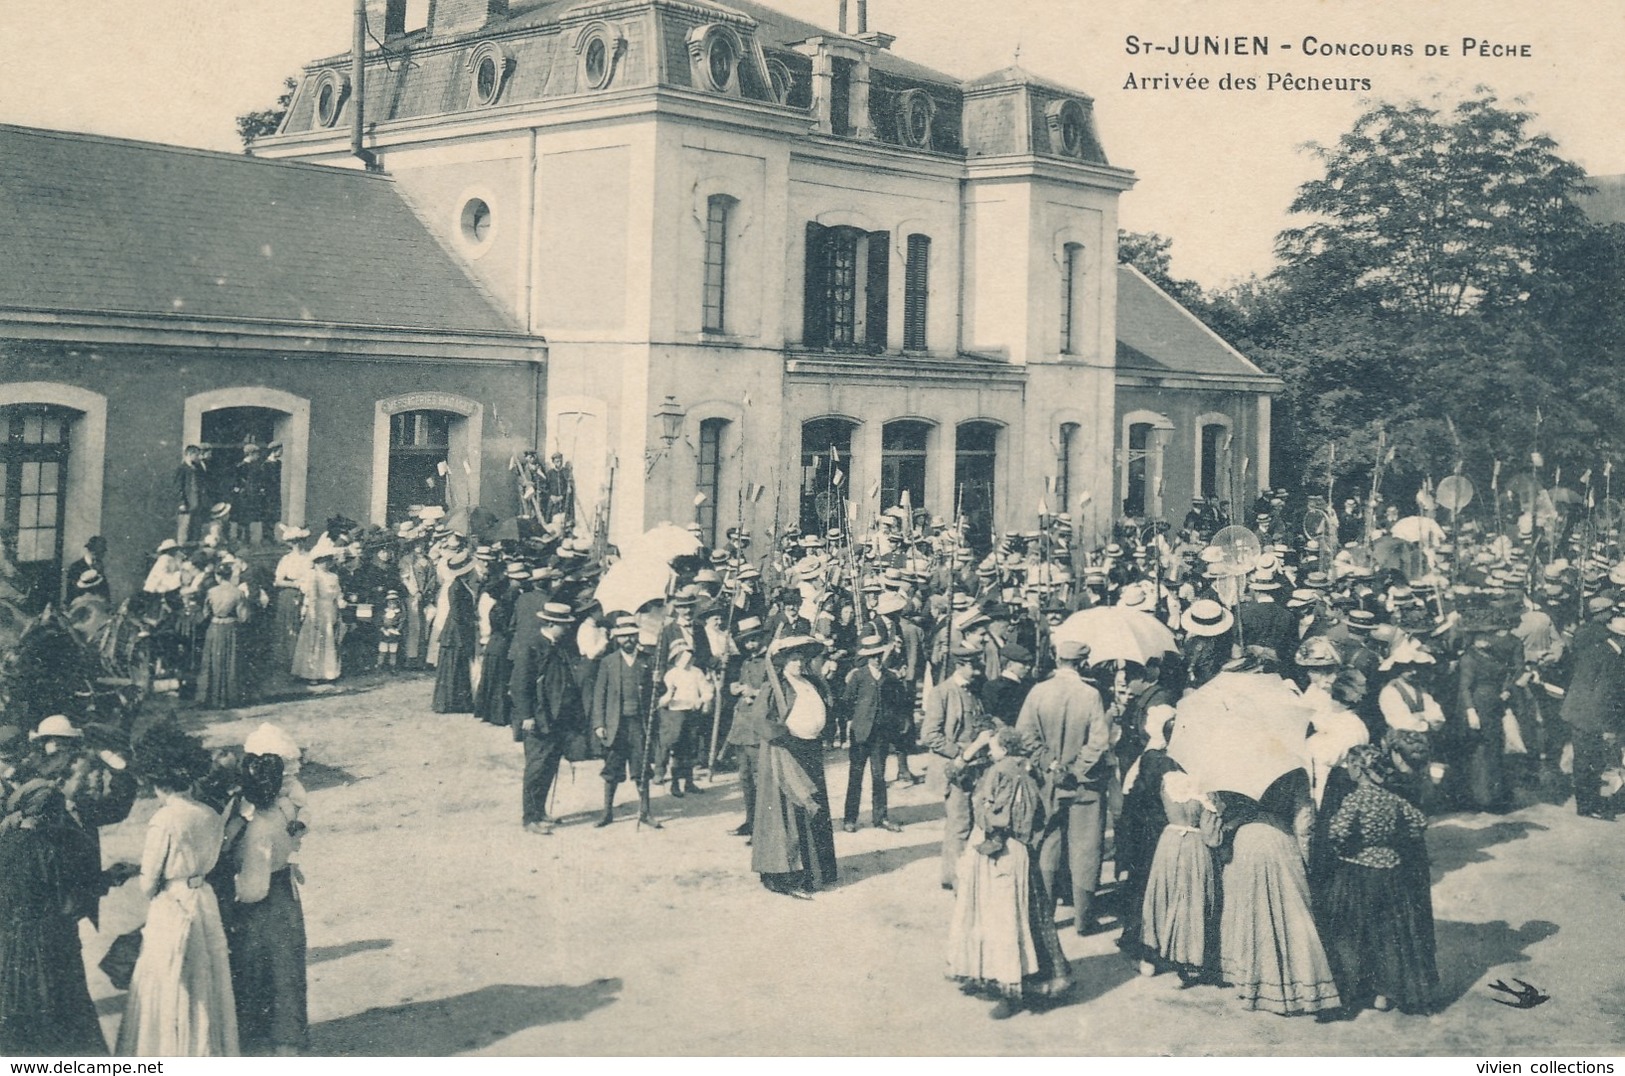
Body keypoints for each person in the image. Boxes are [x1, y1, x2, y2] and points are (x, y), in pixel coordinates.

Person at [118, 721, 239, 1056]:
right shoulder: (209, 814)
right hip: (203, 899)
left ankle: (168, 1052)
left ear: (157, 781)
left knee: (170, 976)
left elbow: (147, 884)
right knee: (206, 977)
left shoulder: (164, 819)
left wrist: (143, 874)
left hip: (173, 903)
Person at [945, 727, 1072, 1019]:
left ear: (1004, 747)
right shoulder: (1016, 768)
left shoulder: (1004, 772)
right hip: (1008, 847)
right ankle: (1004, 976)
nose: (989, 750)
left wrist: (994, 828)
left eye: (993, 746)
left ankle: (1012, 987)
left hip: (1002, 849)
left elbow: (1006, 814)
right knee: (1007, 915)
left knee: (1004, 917)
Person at [0, 780, 128, 1055]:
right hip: (52, 942)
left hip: (12, 944)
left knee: (19, 1010)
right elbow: (69, 903)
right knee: (65, 1011)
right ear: (53, 815)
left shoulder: (5, 843)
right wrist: (109, 879)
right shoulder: (51, 848)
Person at [1212, 768, 1341, 1017]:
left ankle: (1253, 982)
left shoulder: (1235, 763)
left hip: (1246, 842)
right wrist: (1305, 858)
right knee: (1292, 913)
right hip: (1279, 839)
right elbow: (1304, 822)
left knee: (1253, 914)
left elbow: (1222, 810)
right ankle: (1299, 986)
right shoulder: (1293, 769)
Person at [1321, 743, 1438, 1015]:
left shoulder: (1355, 799)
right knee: (1388, 934)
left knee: (1354, 933)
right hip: (1392, 870)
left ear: (1359, 769)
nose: (1348, 770)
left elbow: (1336, 832)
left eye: (1351, 766)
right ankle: (1386, 993)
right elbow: (1419, 822)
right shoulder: (1392, 798)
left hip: (1360, 871)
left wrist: (1350, 847)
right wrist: (1391, 841)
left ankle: (1356, 989)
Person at [1014, 636, 1114, 935]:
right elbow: (1099, 741)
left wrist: (1051, 764)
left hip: (1049, 782)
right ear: (1083, 663)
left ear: (1057, 660)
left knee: (1048, 843)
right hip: (1085, 784)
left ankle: (1046, 916)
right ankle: (1084, 919)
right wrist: (1076, 768)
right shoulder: (1091, 694)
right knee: (1086, 847)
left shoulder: (1038, 692)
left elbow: (1025, 736)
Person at [227, 725, 309, 1055]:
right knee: (280, 969)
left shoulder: (257, 814)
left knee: (262, 968)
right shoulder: (283, 808)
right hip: (276, 892)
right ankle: (281, 1039)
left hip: (260, 894)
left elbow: (247, 880)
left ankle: (266, 1040)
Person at [751, 635, 838, 897]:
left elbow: (827, 708)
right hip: (785, 753)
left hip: (810, 750)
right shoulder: (774, 687)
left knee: (815, 806)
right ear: (783, 662)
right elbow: (760, 720)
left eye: (802, 658)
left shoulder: (811, 683)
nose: (798, 663)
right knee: (789, 812)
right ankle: (786, 874)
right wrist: (785, 736)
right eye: (793, 659)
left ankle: (818, 871)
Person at [1138, 768, 1221, 984]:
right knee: (1190, 902)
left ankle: (1153, 956)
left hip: (1169, 844)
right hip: (1195, 848)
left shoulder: (1168, 781)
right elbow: (1212, 837)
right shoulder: (1206, 789)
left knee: (1164, 897)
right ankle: (1188, 963)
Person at [511, 602, 586, 835]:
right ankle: (530, 818)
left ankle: (540, 811)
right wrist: (526, 715)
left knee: (550, 766)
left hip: (558, 718)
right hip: (538, 718)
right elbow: (519, 685)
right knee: (536, 767)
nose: (567, 629)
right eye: (563, 625)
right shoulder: (531, 646)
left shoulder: (560, 645)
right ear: (551, 624)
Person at [923, 646, 994, 890]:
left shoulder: (975, 691)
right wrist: (961, 753)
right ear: (959, 665)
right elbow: (930, 735)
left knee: (971, 822)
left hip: (976, 767)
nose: (977, 671)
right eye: (973, 666)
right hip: (955, 770)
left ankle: (957, 874)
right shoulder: (942, 693)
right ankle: (956, 880)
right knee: (960, 824)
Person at [591, 616, 660, 828]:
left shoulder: (648, 661)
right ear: (616, 638)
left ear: (637, 636)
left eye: (631, 635)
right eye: (623, 637)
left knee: (642, 769)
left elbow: (660, 692)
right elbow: (599, 695)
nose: (628, 640)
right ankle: (607, 812)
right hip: (615, 725)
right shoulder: (608, 662)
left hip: (639, 725)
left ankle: (645, 812)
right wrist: (599, 724)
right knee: (612, 770)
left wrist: (659, 681)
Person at [1560, 612, 1625, 820]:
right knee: (1590, 761)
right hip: (1590, 716)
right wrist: (1608, 727)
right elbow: (1604, 695)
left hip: (1579, 712)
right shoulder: (1613, 659)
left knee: (1586, 760)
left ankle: (1588, 802)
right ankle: (1588, 805)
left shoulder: (1597, 650)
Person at [841, 634, 906, 833]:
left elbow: (898, 702)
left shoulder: (890, 677)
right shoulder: (858, 676)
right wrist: (853, 723)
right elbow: (846, 702)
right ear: (867, 657)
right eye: (873, 656)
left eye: (879, 655)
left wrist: (894, 722)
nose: (877, 659)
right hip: (860, 734)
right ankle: (850, 818)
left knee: (879, 776)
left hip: (881, 734)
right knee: (856, 776)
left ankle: (881, 817)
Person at [722, 617, 772, 837]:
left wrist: (754, 692)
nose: (750, 645)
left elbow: (773, 692)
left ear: (761, 638)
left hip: (757, 725)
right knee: (744, 777)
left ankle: (763, 826)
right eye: (747, 641)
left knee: (759, 776)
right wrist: (736, 687)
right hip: (741, 725)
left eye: (754, 640)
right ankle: (750, 821)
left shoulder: (770, 662)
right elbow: (741, 684)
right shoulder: (746, 662)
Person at [659, 639, 713, 798]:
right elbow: (663, 698)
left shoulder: (697, 672)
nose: (687, 659)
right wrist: (668, 696)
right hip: (676, 713)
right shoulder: (671, 674)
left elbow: (707, 691)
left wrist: (702, 700)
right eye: (683, 655)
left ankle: (689, 782)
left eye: (689, 655)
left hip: (692, 712)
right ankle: (675, 784)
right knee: (677, 748)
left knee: (691, 747)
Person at [197, 560, 251, 708]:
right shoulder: (238, 593)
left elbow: (205, 613)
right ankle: (230, 698)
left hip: (214, 628)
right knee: (231, 662)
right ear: (230, 575)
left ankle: (212, 698)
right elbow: (244, 617)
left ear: (217, 576)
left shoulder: (211, 592)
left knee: (213, 661)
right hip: (231, 629)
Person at [431, 549, 478, 713]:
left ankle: (453, 702)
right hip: (456, 632)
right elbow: (458, 614)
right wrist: (471, 623)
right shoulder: (457, 587)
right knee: (453, 667)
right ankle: (450, 703)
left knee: (454, 667)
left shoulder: (460, 586)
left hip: (454, 631)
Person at [291, 552, 342, 683]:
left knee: (329, 640)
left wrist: (340, 602)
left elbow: (338, 593)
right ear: (317, 563)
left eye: (328, 561)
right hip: (318, 611)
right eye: (322, 561)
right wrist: (313, 616)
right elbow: (312, 598)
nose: (325, 564)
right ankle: (311, 674)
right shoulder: (314, 576)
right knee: (315, 640)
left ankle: (328, 673)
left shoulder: (333, 576)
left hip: (330, 609)